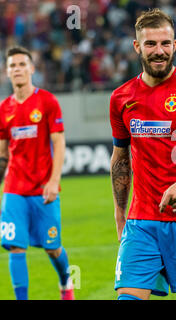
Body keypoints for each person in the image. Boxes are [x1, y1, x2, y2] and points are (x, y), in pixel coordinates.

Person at [109, 8, 176, 300]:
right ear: (137, 47)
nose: (159, 51)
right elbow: (120, 159)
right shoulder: (121, 97)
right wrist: (121, 211)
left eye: (165, 43)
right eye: (150, 44)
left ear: (175, 45)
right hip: (141, 220)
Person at [0, 46, 74, 300]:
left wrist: (54, 181)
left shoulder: (47, 101)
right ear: (6, 71)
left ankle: (66, 282)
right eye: (12, 65)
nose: (17, 69)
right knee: (15, 247)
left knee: (52, 248)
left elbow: (59, 142)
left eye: (22, 64)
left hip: (43, 188)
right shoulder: (4, 109)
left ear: (32, 69)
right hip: (14, 189)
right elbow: (2, 154)